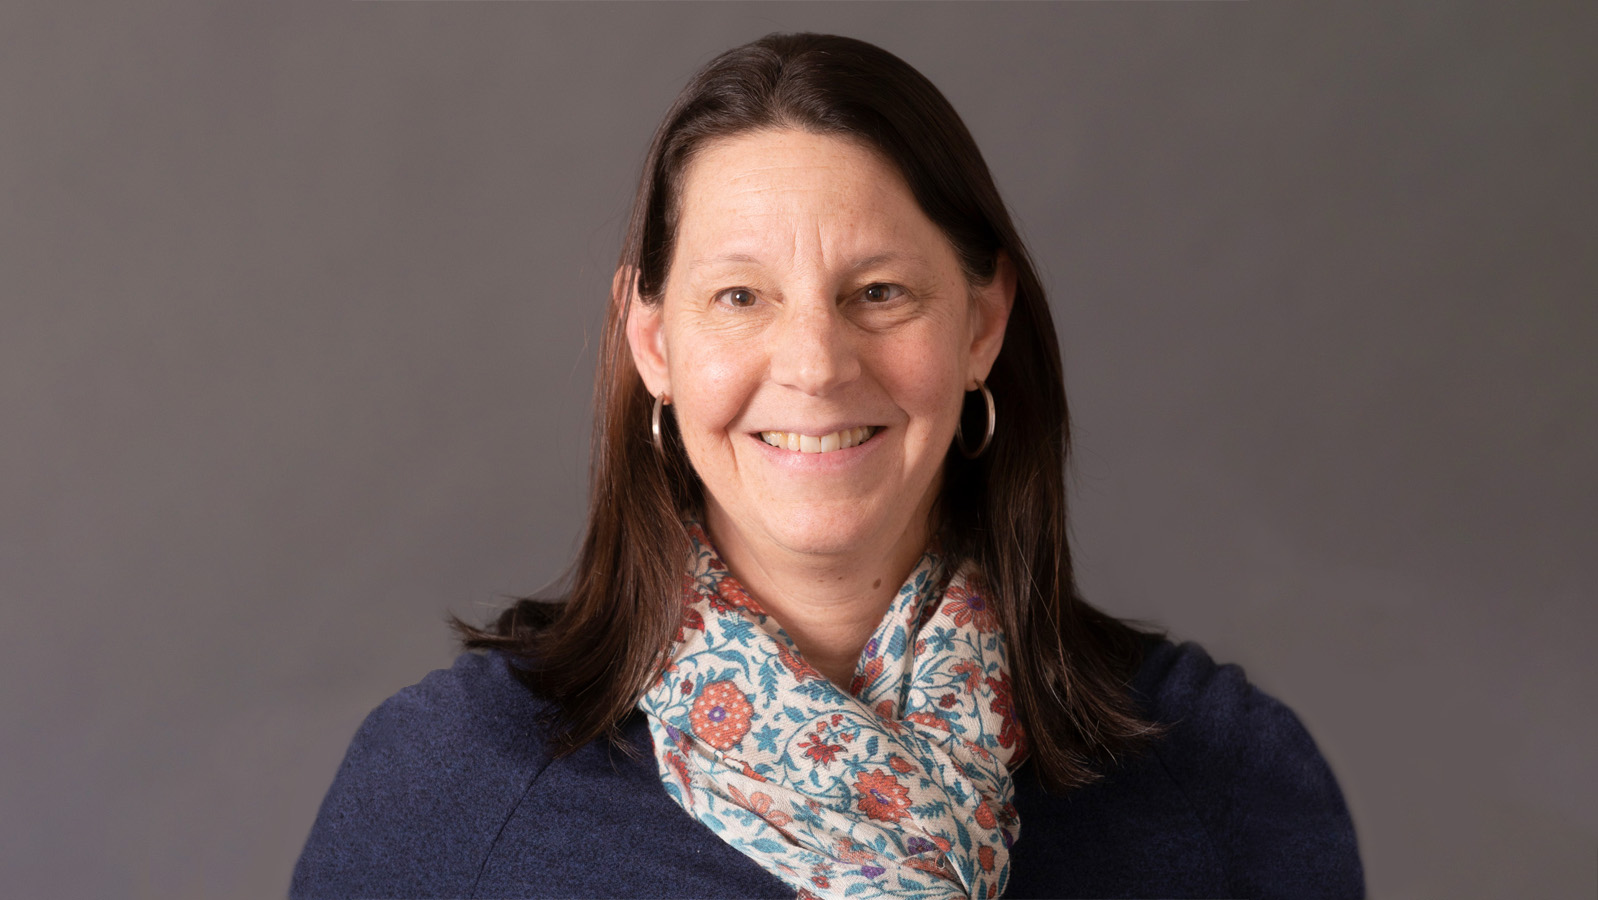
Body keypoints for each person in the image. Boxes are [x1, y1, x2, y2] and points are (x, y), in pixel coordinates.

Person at [292, 33, 1363, 900]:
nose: (812, 365)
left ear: (981, 325)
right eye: (740, 297)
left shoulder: (1220, 783)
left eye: (879, 293)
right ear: (652, 341)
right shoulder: (448, 795)